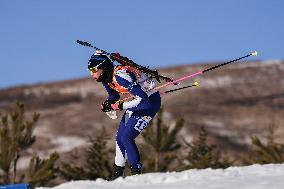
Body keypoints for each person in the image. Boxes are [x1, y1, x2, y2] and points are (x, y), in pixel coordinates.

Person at [87, 51, 161, 180]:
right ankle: (117, 175)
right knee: (119, 137)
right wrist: (107, 104)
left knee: (127, 137)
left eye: (93, 69)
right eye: (89, 70)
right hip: (135, 103)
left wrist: (119, 106)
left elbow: (142, 97)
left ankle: (136, 174)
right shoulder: (105, 79)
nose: (91, 74)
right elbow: (114, 96)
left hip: (149, 103)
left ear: (103, 67)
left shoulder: (120, 76)